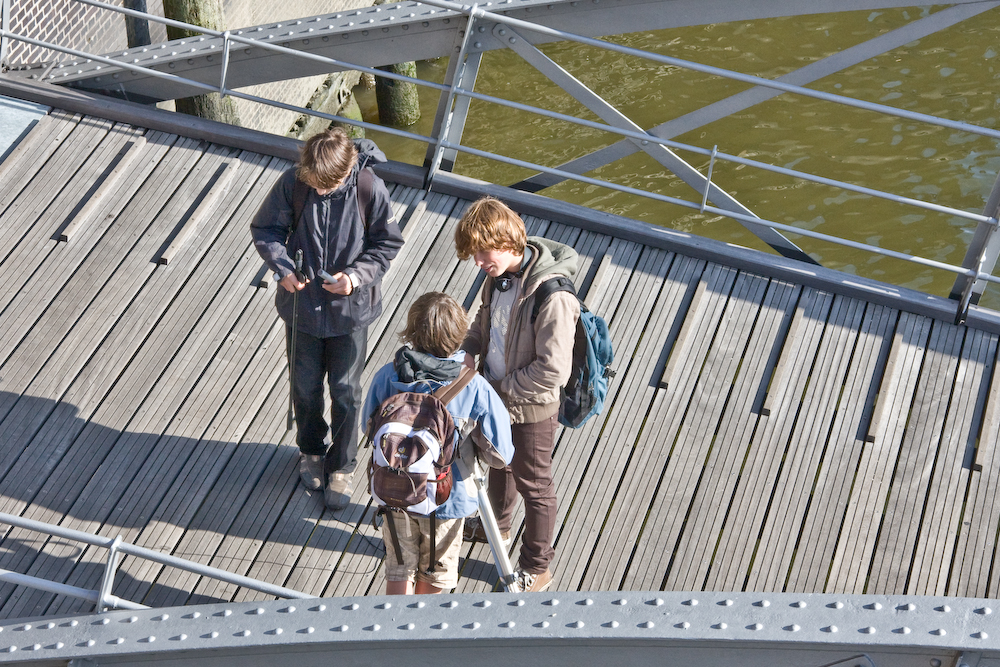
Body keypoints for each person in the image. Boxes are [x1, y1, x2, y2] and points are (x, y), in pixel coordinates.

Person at [251, 127, 404, 510]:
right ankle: (311, 452)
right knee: (303, 387)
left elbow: (387, 243)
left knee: (346, 392)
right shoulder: (295, 182)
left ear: (347, 171)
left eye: (328, 187)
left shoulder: (368, 187)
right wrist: (283, 268)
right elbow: (266, 228)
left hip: (350, 314)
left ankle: (343, 466)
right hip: (301, 309)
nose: (319, 191)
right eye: (314, 185)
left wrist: (354, 278)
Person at [454, 196, 579, 593]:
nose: (477, 262)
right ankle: (498, 528)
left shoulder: (554, 297)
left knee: (536, 486)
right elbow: (484, 321)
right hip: (498, 396)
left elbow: (553, 372)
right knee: (500, 465)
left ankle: (537, 568)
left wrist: (496, 388)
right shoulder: (500, 273)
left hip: (532, 410)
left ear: (507, 241)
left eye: (481, 252)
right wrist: (469, 348)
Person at [365, 292, 514, 595]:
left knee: (398, 568)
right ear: (459, 335)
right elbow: (501, 454)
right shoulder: (474, 386)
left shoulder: (387, 375)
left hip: (394, 492)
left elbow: (369, 428)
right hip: (448, 495)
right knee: (434, 572)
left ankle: (394, 632)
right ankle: (418, 638)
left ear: (411, 331)